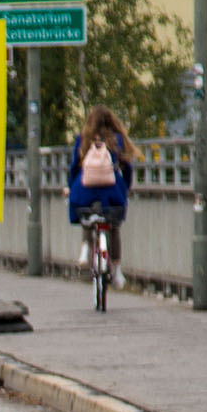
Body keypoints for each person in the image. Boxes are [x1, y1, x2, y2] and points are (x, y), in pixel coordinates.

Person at [66, 107, 138, 286]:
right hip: (111, 190)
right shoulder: (117, 139)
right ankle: (118, 270)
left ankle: (85, 248)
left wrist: (72, 187)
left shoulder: (83, 139)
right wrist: (126, 188)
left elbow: (75, 167)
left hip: (86, 189)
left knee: (86, 213)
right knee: (114, 224)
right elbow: (127, 167)